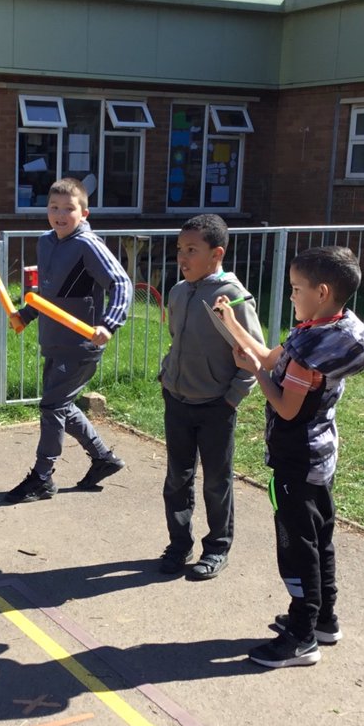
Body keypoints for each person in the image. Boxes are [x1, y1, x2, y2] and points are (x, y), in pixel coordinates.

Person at [215, 245, 364, 668]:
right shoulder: (327, 329)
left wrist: (255, 373)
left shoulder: (310, 353)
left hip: (296, 460)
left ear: (321, 292)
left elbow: (286, 406)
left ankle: (302, 636)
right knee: (318, 537)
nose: (291, 295)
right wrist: (232, 323)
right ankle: (324, 619)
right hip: (320, 455)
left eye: (296, 288)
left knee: (296, 545)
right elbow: (271, 357)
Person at [3, 177, 133, 503]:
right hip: (54, 339)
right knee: (60, 405)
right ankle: (103, 458)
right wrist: (27, 314)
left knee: (52, 407)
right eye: (54, 208)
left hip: (81, 343)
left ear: (84, 213)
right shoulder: (47, 242)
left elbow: (121, 284)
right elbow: (49, 292)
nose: (60, 215)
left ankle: (42, 477)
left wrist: (109, 324)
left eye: (69, 209)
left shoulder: (88, 245)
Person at [157, 214, 264, 580]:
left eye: (192, 250)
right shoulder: (178, 291)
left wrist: (231, 397)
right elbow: (177, 339)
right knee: (177, 477)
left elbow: (253, 353)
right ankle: (179, 544)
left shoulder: (232, 297)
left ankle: (217, 547)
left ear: (216, 254)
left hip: (216, 406)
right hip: (177, 400)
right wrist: (167, 375)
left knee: (216, 481)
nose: (182, 258)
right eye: (179, 249)